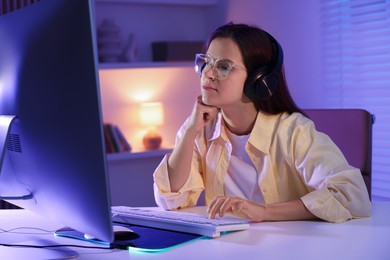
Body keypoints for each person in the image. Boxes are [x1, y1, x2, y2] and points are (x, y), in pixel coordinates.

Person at [153, 23, 371, 223]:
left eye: (224, 66)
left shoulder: (293, 131)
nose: (207, 74)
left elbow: (351, 193)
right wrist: (191, 131)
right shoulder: (200, 127)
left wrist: (263, 211)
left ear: (259, 81)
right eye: (206, 62)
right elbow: (171, 200)